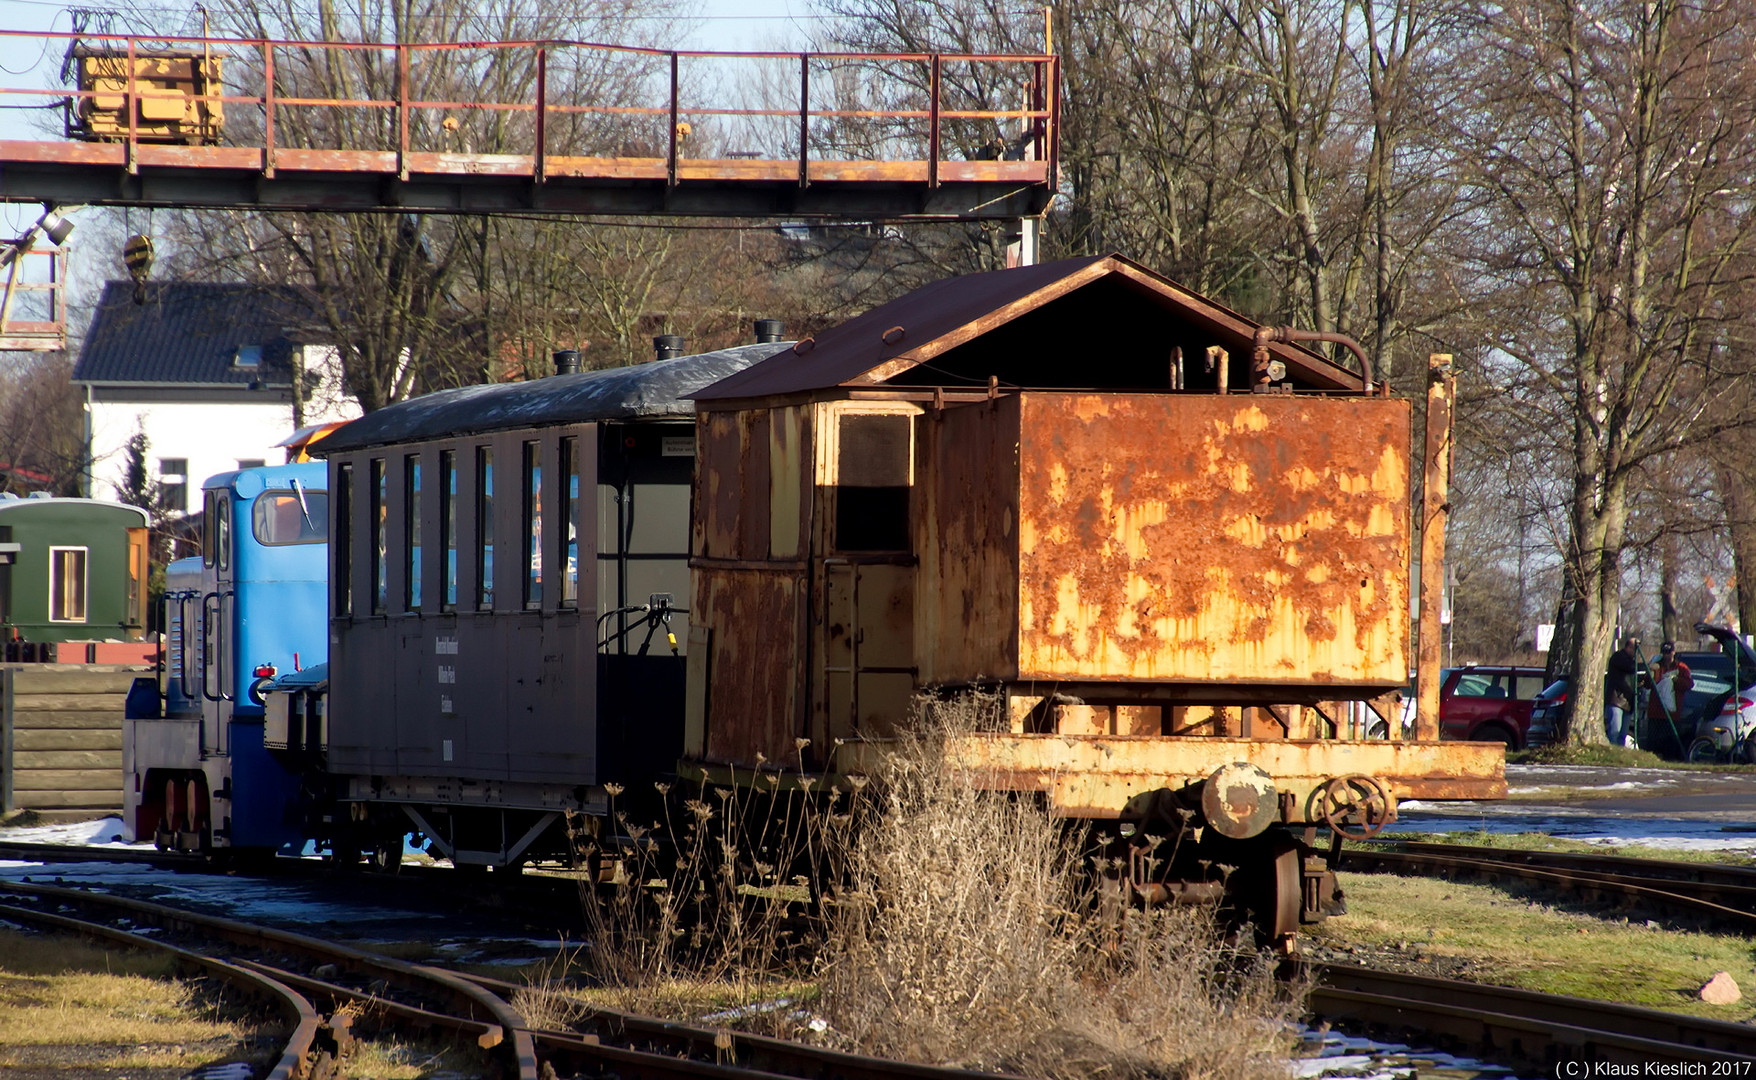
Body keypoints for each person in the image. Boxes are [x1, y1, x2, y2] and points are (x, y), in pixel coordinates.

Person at [1648, 642, 1694, 740]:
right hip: (1656, 712)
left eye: (1669, 653)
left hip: (1672, 714)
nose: (1667, 656)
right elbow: (1647, 685)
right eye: (1664, 653)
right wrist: (1650, 673)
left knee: (1671, 743)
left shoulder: (1681, 667)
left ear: (1673, 652)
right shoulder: (1656, 667)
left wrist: (1676, 680)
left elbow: (1689, 684)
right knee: (1654, 742)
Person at [1605, 637, 1639, 747]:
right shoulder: (1618, 657)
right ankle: (1611, 756)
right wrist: (1647, 666)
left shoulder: (1631, 661)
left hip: (1628, 702)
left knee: (1622, 736)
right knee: (1614, 732)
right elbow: (1629, 667)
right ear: (1629, 647)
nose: (1636, 654)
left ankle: (1619, 755)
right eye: (1635, 650)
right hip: (1617, 700)